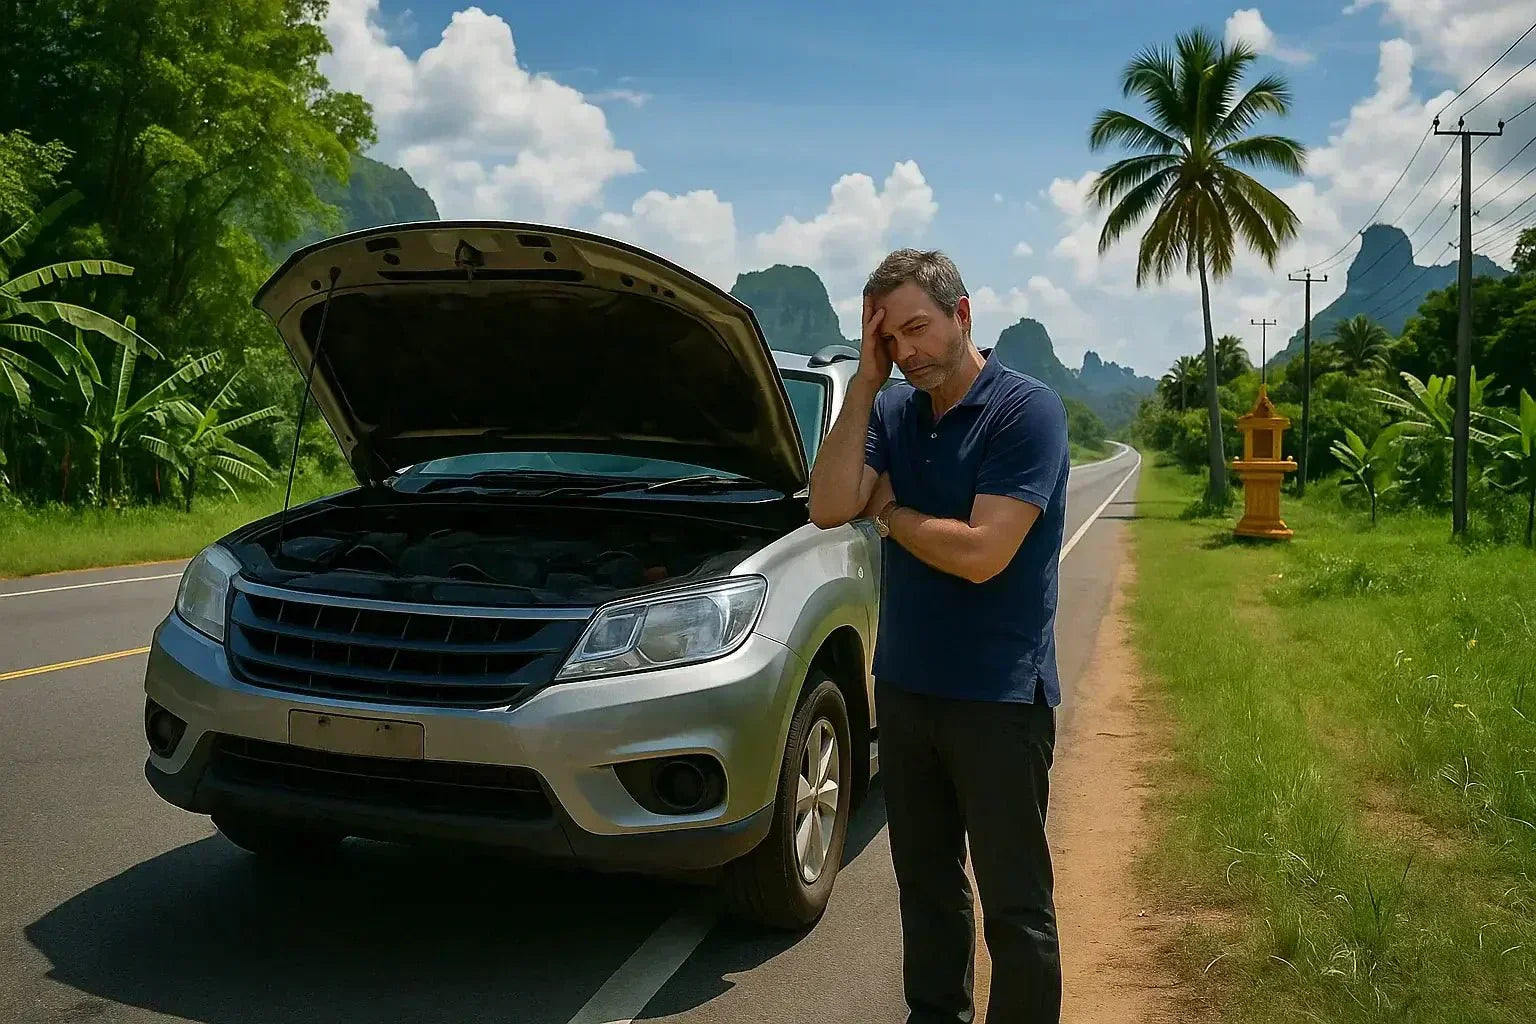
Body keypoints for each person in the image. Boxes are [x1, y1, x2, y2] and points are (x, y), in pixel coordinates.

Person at [807, 248, 1068, 1024]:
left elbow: (984, 555)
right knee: (925, 893)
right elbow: (826, 504)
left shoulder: (1027, 411)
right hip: (909, 690)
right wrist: (862, 382)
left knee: (1015, 908)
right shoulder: (888, 411)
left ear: (962, 314)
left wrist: (889, 513)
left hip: (1000, 700)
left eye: (918, 328)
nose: (908, 352)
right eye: (891, 340)